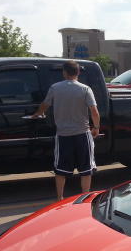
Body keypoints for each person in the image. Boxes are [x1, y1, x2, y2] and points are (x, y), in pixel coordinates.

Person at [32, 60, 100, 200]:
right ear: (78, 72)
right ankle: (84, 197)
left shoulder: (55, 88)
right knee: (86, 169)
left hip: (63, 135)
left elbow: (45, 105)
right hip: (83, 134)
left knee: (61, 170)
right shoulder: (85, 89)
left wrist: (37, 114)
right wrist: (96, 127)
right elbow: (94, 111)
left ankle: (60, 198)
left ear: (64, 72)